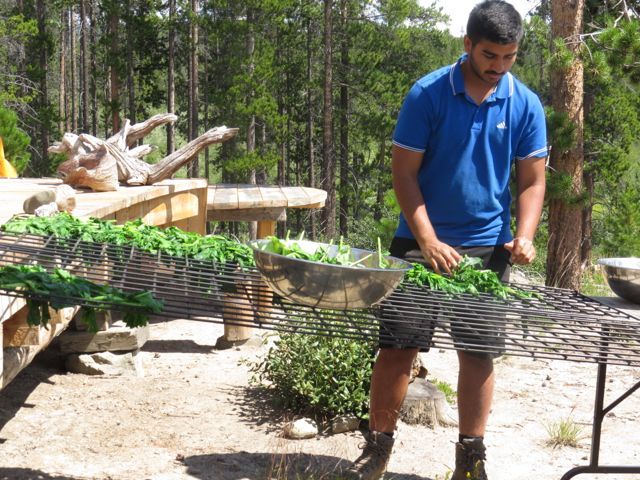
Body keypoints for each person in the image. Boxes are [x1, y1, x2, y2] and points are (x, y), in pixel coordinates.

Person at [344, 1, 547, 479]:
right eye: (490, 56)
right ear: (468, 45)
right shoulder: (428, 94)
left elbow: (533, 182)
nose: (499, 66)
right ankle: (378, 448)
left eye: (509, 57)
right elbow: (404, 175)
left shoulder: (525, 103)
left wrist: (524, 235)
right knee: (398, 349)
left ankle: (470, 462)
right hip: (418, 242)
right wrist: (429, 240)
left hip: (488, 247)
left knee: (478, 353)